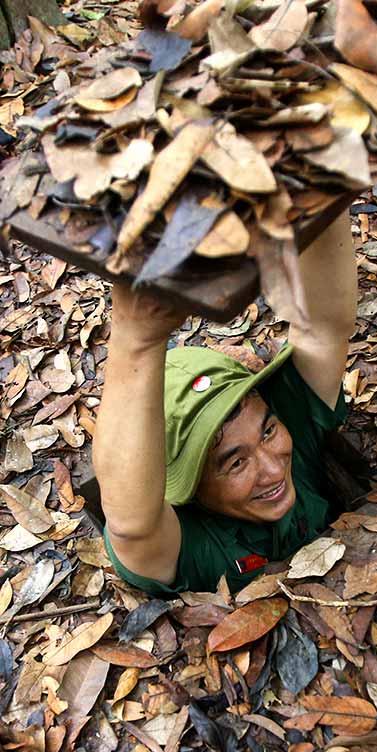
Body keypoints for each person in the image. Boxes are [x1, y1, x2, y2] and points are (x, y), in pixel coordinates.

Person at [93, 211, 358, 595]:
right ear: (190, 485)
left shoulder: (293, 436)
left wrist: (327, 199)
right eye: (235, 462)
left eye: (267, 431)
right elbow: (132, 524)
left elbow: (324, 328)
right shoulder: (190, 545)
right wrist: (135, 338)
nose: (271, 467)